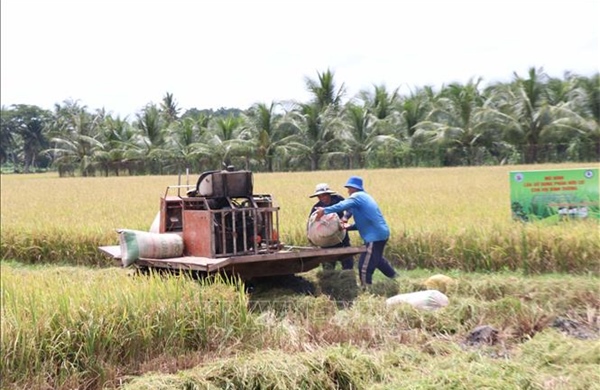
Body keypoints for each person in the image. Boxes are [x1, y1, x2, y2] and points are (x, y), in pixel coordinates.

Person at [314, 176, 397, 286]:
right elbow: (364, 223)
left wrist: (325, 210)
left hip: (375, 237)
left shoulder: (357, 196)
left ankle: (366, 290)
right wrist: (348, 227)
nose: (348, 191)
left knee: (364, 267)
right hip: (380, 234)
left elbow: (342, 205)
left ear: (354, 188)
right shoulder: (365, 198)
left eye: (349, 188)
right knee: (377, 260)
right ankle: (397, 279)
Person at [308, 183, 354, 270]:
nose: (322, 198)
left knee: (347, 262)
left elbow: (350, 208)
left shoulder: (338, 200)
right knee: (328, 265)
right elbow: (310, 223)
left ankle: (349, 278)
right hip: (325, 240)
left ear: (329, 194)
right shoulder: (316, 207)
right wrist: (310, 236)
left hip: (341, 236)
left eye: (324, 195)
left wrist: (345, 218)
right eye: (319, 196)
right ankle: (329, 279)